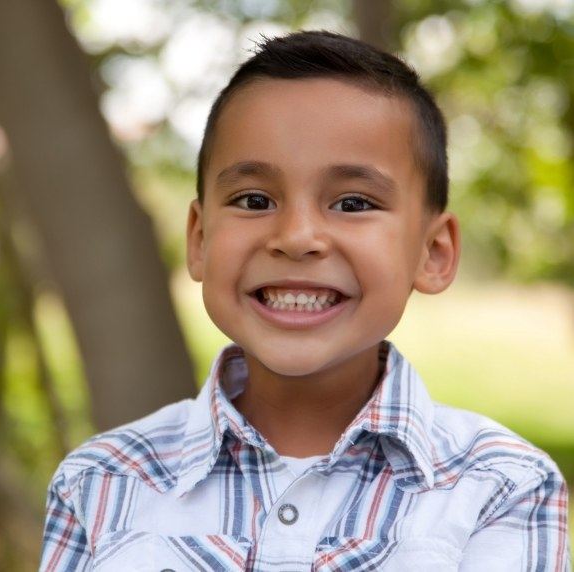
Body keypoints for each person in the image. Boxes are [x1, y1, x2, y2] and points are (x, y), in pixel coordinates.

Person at [40, 30, 570, 571]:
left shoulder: (500, 487)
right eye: (254, 199)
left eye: (353, 202)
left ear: (432, 253)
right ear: (199, 240)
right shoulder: (102, 482)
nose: (296, 237)